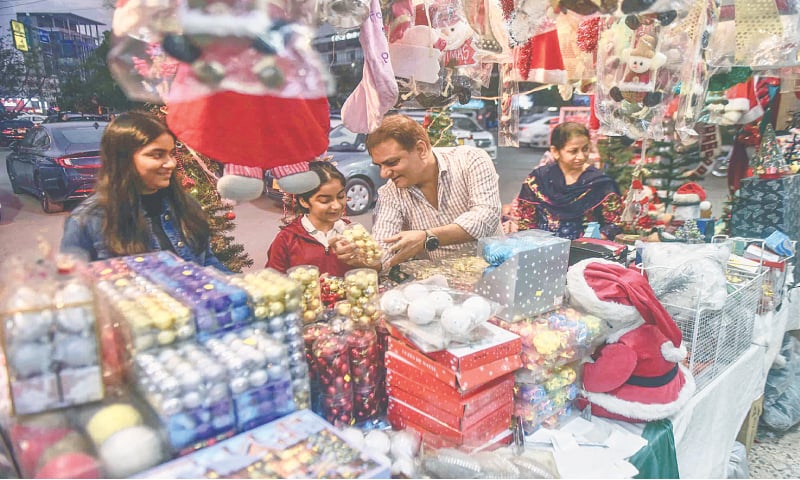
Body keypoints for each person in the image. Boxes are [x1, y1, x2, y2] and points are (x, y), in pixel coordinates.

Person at [61, 111, 228, 271]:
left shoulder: (186, 205)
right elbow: (73, 287)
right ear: (123, 159)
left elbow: (207, 262)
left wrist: (243, 287)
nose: (171, 163)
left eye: (171, 154)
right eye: (157, 155)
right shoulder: (88, 220)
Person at [365, 114, 502, 269]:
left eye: (391, 163)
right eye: (379, 166)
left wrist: (428, 237)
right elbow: (384, 248)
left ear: (421, 149)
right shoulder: (391, 192)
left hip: (494, 274)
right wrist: (362, 257)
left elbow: (486, 216)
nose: (384, 174)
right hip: (442, 285)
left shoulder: (471, 160)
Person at [509, 122, 622, 240]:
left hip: (587, 253)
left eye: (585, 149)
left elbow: (615, 223)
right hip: (543, 250)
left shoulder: (600, 183)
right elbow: (526, 222)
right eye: (573, 151)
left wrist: (595, 239)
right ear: (555, 151)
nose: (581, 156)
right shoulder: (538, 180)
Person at [266, 162, 379, 276]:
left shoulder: (354, 233)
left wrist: (363, 263)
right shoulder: (287, 239)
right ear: (304, 201)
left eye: (340, 196)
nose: (337, 206)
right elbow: (272, 283)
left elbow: (375, 270)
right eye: (325, 200)